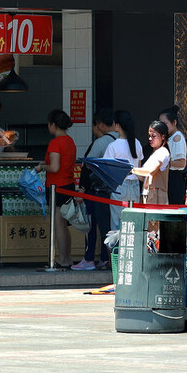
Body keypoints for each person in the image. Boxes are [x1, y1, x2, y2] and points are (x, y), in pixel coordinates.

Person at [72, 108, 117, 272]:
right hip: (116, 191)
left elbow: (86, 166)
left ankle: (89, 258)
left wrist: (81, 190)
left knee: (91, 226)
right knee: (108, 226)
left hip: (96, 190)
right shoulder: (121, 140)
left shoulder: (101, 142)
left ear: (100, 125)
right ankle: (106, 259)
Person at [40, 109, 77, 269]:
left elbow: (54, 167)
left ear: (53, 125)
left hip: (57, 186)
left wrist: (42, 167)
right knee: (64, 224)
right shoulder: (70, 141)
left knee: (58, 224)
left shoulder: (55, 142)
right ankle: (67, 257)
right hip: (68, 185)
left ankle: (62, 258)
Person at [104, 110, 144, 231]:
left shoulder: (113, 146)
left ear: (117, 125)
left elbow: (107, 170)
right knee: (132, 223)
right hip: (135, 185)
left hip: (119, 186)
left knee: (117, 223)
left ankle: (117, 249)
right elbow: (139, 168)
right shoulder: (137, 143)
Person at [132, 120, 171, 205]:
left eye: (153, 136)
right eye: (149, 136)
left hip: (157, 194)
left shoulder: (163, 152)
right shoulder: (155, 152)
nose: (150, 139)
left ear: (163, 137)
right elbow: (143, 177)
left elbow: (150, 171)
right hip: (147, 193)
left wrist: (133, 170)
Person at [158, 107, 187, 206]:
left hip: (174, 179)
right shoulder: (169, 137)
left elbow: (182, 163)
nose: (162, 126)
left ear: (174, 122)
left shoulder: (177, 137)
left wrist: (162, 163)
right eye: (160, 123)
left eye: (165, 123)